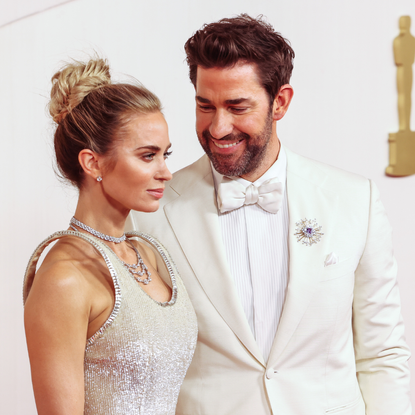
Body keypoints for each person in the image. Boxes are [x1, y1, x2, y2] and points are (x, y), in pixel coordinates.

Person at [128, 14, 411, 415]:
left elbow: (382, 354)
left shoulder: (353, 200)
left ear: (280, 102)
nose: (218, 127)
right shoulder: (152, 209)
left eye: (237, 106)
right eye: (205, 106)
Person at [23, 58, 197, 415]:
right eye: (148, 156)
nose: (166, 172)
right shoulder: (64, 277)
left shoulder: (149, 253)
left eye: (165, 155)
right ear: (93, 163)